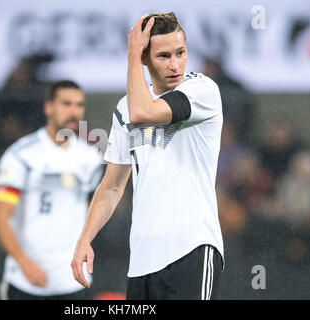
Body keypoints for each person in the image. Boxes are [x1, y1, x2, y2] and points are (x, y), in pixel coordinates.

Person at [71, 12, 224, 300]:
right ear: (146, 59)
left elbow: (143, 113)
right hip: (142, 262)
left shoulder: (201, 90)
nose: (175, 64)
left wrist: (131, 56)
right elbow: (113, 186)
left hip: (192, 248)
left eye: (180, 52)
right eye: (164, 56)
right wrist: (85, 238)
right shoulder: (124, 108)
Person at [0, 80, 102, 300]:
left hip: (74, 281)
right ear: (48, 107)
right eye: (66, 104)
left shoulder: (91, 158)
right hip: (26, 282)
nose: (73, 112)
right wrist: (24, 263)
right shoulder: (21, 155)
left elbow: (93, 210)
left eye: (79, 105)